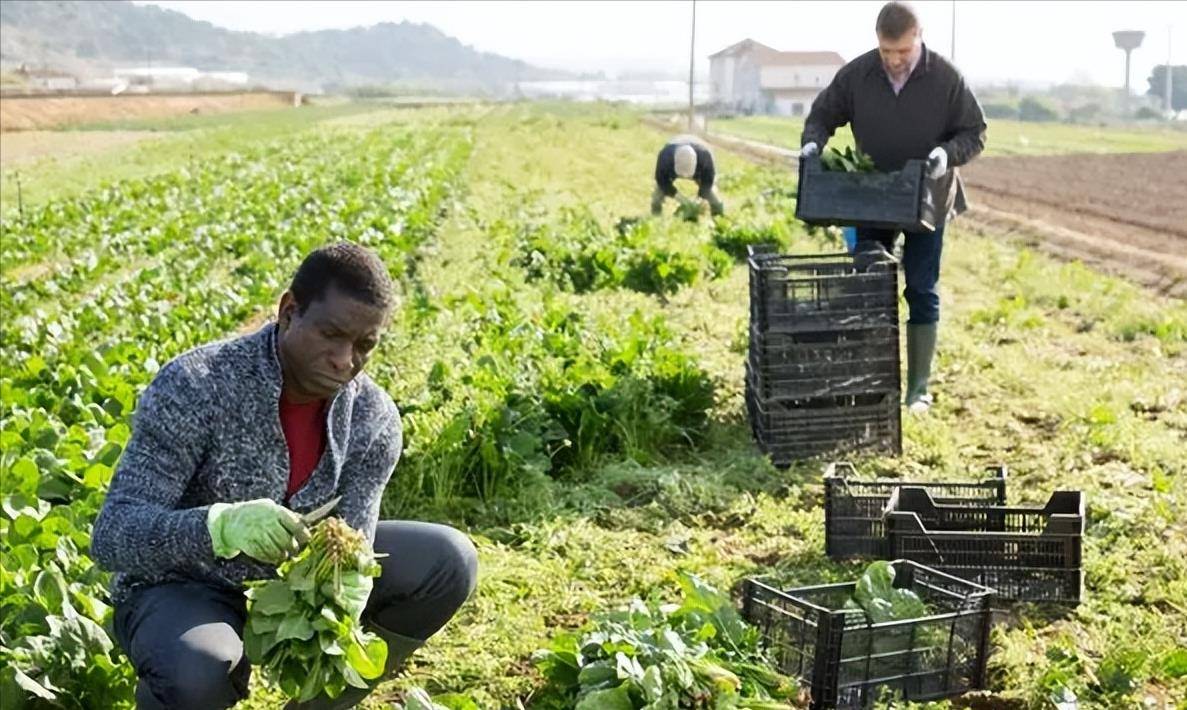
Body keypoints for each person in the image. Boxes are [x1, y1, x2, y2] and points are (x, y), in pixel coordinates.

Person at [91, 242, 479, 710]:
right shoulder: (197, 385)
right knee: (196, 670)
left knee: (447, 562)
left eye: (364, 345)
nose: (345, 360)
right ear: (289, 312)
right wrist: (219, 526)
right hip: (184, 583)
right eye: (331, 334)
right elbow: (113, 535)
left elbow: (354, 542)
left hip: (294, 582)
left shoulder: (372, 418)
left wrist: (345, 584)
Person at [800, 1, 986, 414]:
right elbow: (822, 114)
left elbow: (975, 132)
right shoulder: (858, 74)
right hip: (873, 196)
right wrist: (813, 143)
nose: (894, 60)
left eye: (902, 52)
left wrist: (945, 154)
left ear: (918, 38)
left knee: (920, 288)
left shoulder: (945, 77)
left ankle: (918, 389)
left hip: (928, 200)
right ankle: (870, 381)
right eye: (887, 52)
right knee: (869, 285)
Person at [651, 134, 725, 217]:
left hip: (702, 161)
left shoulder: (705, 159)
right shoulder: (665, 157)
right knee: (657, 197)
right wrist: (680, 198)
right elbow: (662, 182)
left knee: (712, 195)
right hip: (673, 151)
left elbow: (707, 184)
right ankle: (656, 217)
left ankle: (718, 218)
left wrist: (698, 201)